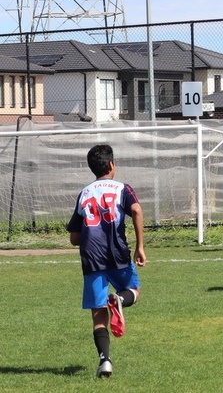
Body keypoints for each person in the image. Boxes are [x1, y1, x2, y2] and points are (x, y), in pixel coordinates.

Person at [66, 144, 147, 378]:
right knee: (134, 290)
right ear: (112, 165)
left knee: (98, 314)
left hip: (92, 258)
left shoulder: (85, 192)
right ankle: (120, 299)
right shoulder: (122, 188)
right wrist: (140, 247)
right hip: (118, 254)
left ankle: (105, 361)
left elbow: (74, 238)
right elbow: (137, 211)